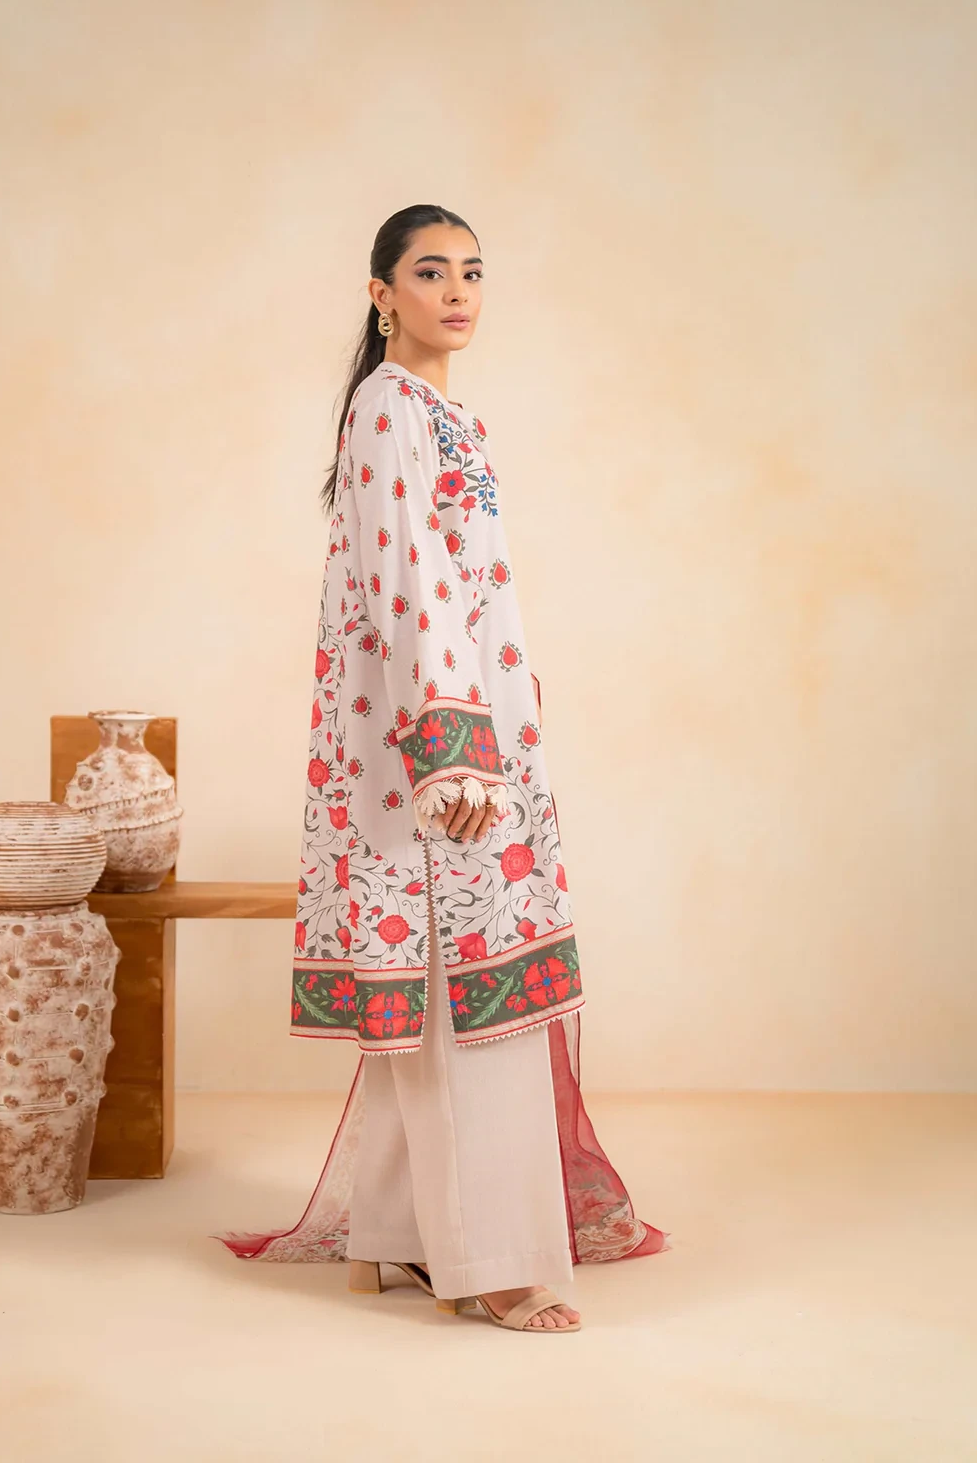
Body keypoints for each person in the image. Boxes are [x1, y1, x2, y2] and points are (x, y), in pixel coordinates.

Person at [216, 204, 668, 1333]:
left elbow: (465, 589)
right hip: (433, 755)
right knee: (472, 1007)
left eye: (472, 271)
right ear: (383, 295)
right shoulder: (385, 407)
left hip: (473, 733)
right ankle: (493, 1262)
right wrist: (452, 753)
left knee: (437, 996)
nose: (458, 291)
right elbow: (407, 583)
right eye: (430, 272)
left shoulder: (442, 413)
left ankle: (395, 1238)